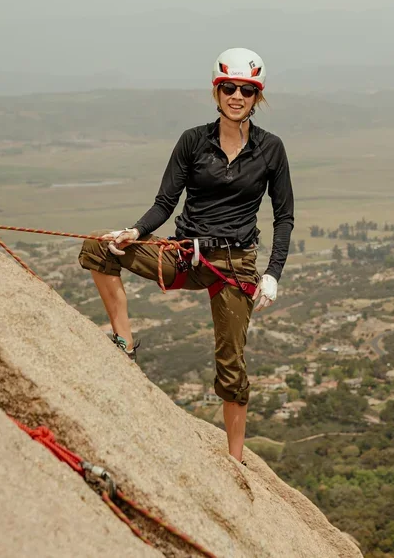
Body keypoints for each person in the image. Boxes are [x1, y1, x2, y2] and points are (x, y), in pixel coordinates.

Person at [78, 48, 294, 464]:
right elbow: (165, 202)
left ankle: (235, 463)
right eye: (228, 87)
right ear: (216, 91)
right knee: (97, 248)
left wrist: (273, 273)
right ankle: (123, 344)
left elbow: (283, 216)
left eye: (246, 90)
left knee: (231, 366)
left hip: (234, 264)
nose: (236, 96)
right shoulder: (193, 141)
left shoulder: (271, 149)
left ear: (256, 97)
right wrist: (136, 232)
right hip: (184, 254)